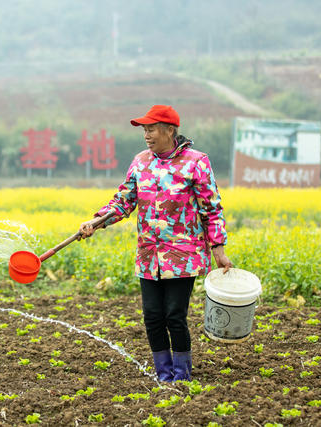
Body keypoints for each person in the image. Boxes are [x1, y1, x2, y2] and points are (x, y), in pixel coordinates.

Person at [78, 105, 232, 382]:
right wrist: (97, 221)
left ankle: (182, 376)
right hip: (149, 253)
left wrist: (217, 248)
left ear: (170, 130)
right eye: (144, 130)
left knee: (174, 315)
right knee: (152, 316)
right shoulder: (140, 161)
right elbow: (123, 201)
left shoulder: (196, 162)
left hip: (183, 254)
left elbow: (211, 208)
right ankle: (164, 374)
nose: (146, 135)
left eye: (151, 129)